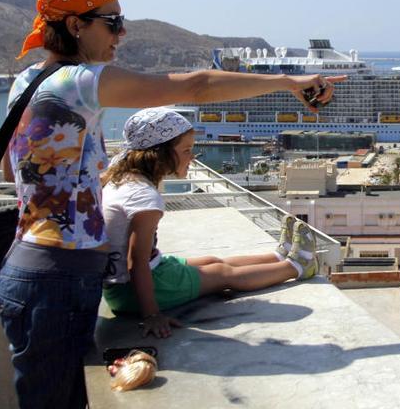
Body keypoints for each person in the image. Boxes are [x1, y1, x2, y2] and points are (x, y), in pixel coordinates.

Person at [0, 0, 343, 408]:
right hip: (57, 277)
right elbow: (194, 85)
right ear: (75, 25)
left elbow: (12, 173)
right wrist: (289, 82)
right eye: (112, 22)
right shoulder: (80, 81)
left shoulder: (25, 82)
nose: (121, 33)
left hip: (35, 268)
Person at [101, 107, 316, 338]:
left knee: (212, 261)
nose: (192, 157)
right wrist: (152, 314)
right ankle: (297, 267)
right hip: (134, 291)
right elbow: (136, 262)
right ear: (159, 154)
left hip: (123, 286)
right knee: (222, 274)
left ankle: (278, 256)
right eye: (186, 150)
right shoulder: (144, 198)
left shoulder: (121, 179)